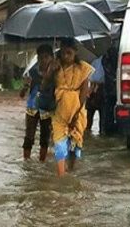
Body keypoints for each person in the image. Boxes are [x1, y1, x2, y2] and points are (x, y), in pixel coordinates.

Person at [51, 37, 93, 176]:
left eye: (69, 53)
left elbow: (84, 93)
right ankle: (61, 176)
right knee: (60, 146)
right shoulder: (55, 67)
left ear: (75, 52)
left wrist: (76, 114)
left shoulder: (83, 69)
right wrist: (51, 71)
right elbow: (45, 87)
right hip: (59, 112)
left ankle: (72, 169)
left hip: (77, 112)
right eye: (63, 53)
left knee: (75, 146)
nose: (66, 56)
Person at [19, 44, 55, 162]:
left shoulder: (55, 73)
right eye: (41, 58)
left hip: (47, 109)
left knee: (45, 138)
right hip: (32, 107)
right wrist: (25, 86)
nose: (43, 60)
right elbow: (22, 95)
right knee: (29, 136)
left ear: (51, 58)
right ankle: (26, 160)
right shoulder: (32, 72)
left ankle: (42, 161)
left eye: (46, 57)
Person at [86, 56, 105, 132]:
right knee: (102, 118)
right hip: (99, 90)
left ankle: (87, 133)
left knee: (89, 118)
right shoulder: (102, 61)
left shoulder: (95, 61)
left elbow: (90, 77)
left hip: (96, 90)